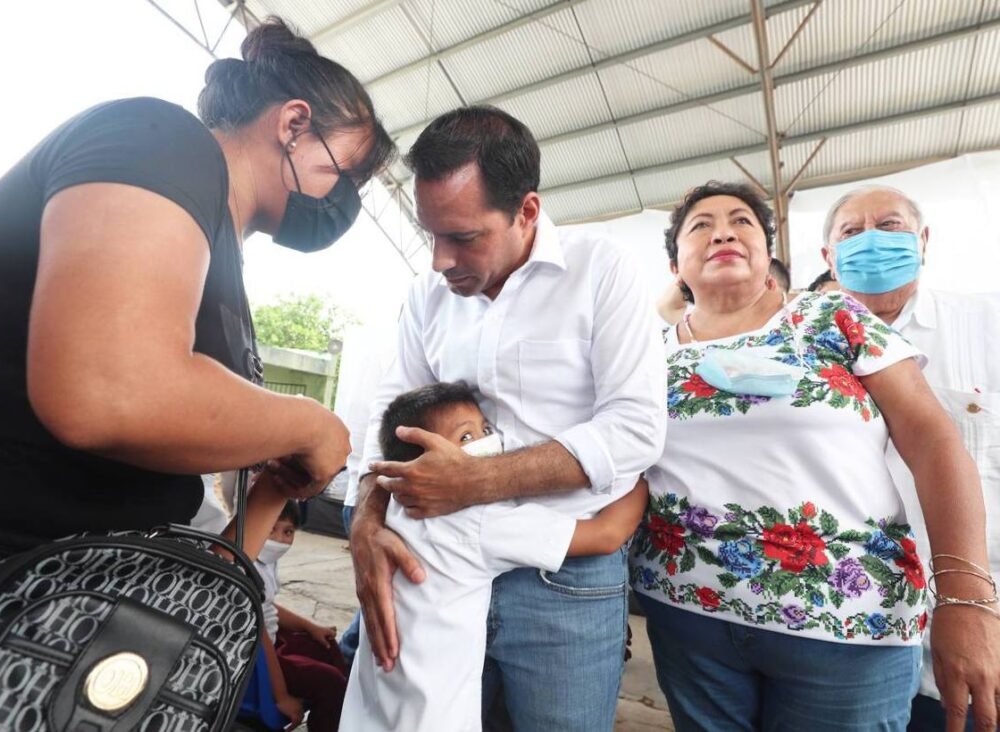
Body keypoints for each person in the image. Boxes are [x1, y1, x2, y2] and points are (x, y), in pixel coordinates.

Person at [0, 17, 394, 570]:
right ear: (293, 124)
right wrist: (308, 423)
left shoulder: (221, 254)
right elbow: (106, 390)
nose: (346, 200)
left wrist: (278, 479)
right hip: (7, 576)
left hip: (82, 584)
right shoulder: (161, 140)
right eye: (348, 174)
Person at [629, 181, 999, 732]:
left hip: (848, 627)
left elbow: (933, 441)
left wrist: (966, 596)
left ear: (767, 254)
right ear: (674, 265)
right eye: (701, 226)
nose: (723, 233)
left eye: (741, 221)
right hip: (688, 621)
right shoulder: (647, 355)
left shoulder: (832, 318)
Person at [348, 107, 666, 731]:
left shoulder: (601, 271)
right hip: (433, 568)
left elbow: (635, 428)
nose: (440, 261)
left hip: (563, 581)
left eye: (463, 237)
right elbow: (388, 416)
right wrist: (364, 518)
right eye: (430, 234)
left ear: (527, 211)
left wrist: (477, 481)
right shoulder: (427, 297)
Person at [340, 382, 648, 731]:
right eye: (466, 437)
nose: (489, 441)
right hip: (435, 717)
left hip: (374, 709)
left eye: (485, 429)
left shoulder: (389, 511)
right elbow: (607, 534)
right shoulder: (478, 521)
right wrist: (637, 479)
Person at [821, 185, 1000, 731]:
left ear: (923, 240)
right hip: (854, 636)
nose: (872, 241)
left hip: (981, 621)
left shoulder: (985, 324)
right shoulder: (806, 352)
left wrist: (972, 603)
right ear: (829, 256)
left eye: (890, 226)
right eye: (852, 232)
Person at [253, 500, 347, 732]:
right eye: (272, 529)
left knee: (326, 644)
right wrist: (281, 695)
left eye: (288, 532)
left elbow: (268, 606)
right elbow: (260, 637)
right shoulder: (247, 564)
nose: (279, 539)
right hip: (256, 657)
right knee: (330, 682)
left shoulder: (267, 561)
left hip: (272, 639)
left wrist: (310, 627)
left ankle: (342, 713)